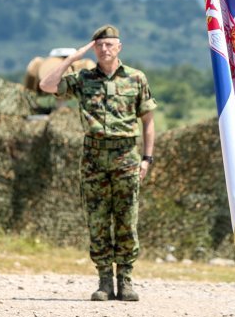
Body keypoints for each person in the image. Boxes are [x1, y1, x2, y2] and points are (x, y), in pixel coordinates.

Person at [39, 24, 156, 302]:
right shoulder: (82, 79)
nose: (104, 49)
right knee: (98, 220)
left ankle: (125, 280)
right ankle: (105, 281)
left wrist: (147, 159)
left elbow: (149, 122)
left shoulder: (136, 78)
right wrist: (72, 58)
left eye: (109, 44)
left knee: (127, 219)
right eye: (99, 45)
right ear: (94, 48)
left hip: (126, 156)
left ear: (119, 47)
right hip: (93, 157)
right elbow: (46, 85)